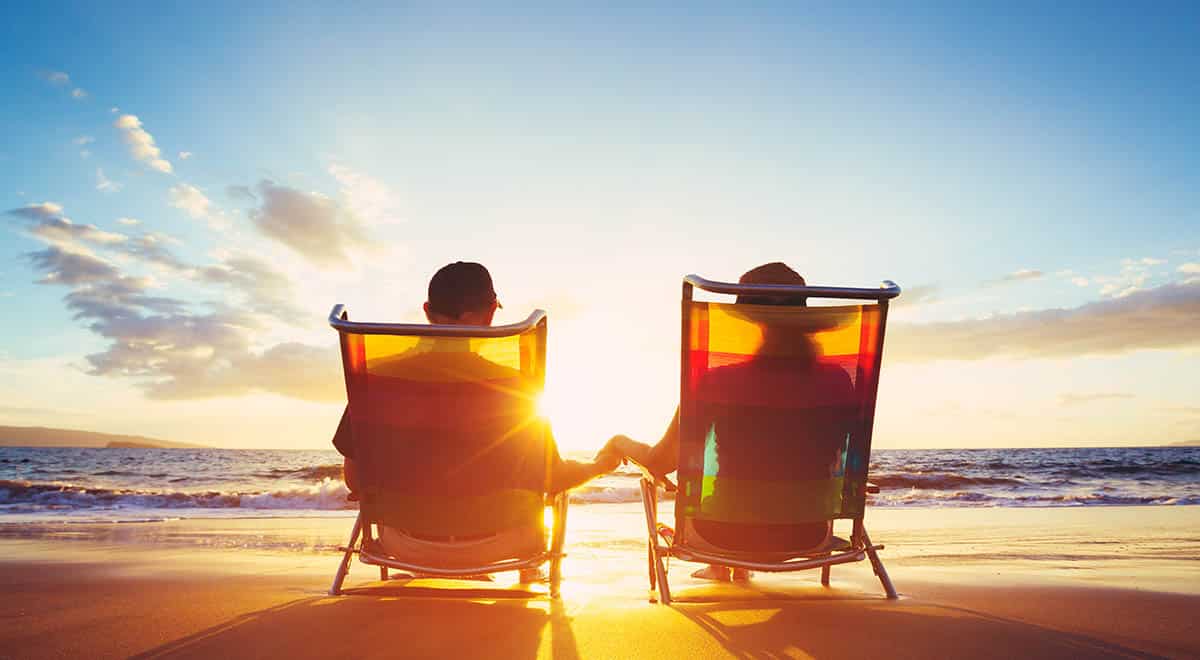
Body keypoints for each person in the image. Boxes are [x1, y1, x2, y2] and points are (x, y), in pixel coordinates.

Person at [333, 261, 621, 579]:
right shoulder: (517, 387)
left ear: (427, 310)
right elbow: (553, 479)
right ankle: (521, 576)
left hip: (402, 546)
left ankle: (430, 567)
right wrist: (599, 465)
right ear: (489, 313)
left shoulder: (379, 380)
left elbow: (355, 480)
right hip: (502, 544)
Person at [600, 262, 854, 582]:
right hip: (809, 534)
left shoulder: (718, 381)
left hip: (721, 535)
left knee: (731, 496)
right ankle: (732, 567)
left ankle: (724, 563)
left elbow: (662, 462)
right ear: (804, 320)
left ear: (751, 322)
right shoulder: (838, 381)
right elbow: (832, 458)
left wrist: (619, 442)